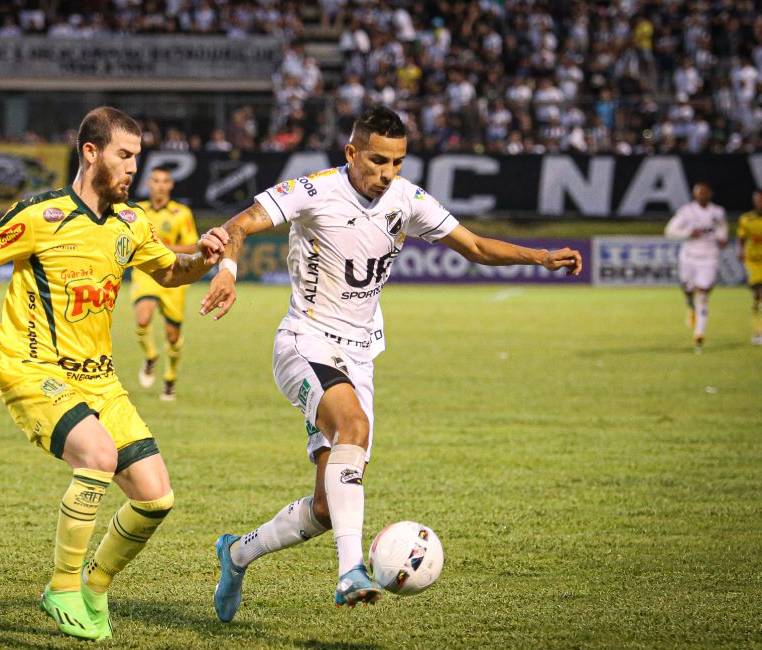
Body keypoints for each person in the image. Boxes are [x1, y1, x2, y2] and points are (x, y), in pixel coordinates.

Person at [197, 106, 582, 621]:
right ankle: (351, 571)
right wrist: (227, 267)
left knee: (327, 508)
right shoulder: (315, 191)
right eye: (377, 160)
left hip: (360, 358)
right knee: (351, 426)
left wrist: (540, 257)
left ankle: (236, 553)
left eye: (397, 162)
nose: (387, 173)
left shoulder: (406, 199)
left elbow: (472, 246)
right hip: (304, 343)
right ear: (352, 153)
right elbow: (238, 224)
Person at [0, 107, 228, 641]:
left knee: (156, 496)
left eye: (137, 157)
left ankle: (94, 584)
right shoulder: (40, 215)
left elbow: (172, 272)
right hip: (33, 371)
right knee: (99, 457)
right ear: (90, 152)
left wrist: (205, 258)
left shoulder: (131, 224)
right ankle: (60, 587)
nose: (133, 168)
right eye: (124, 156)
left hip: (99, 380)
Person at [132, 166, 200, 400]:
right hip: (146, 273)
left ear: (171, 185)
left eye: (165, 181)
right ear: (148, 184)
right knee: (143, 318)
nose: (160, 185)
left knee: (172, 336)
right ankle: (151, 356)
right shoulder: (137, 211)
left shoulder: (181, 213)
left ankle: (170, 377)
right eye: (156, 181)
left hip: (175, 276)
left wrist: (164, 249)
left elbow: (193, 246)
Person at [664, 182, 728, 351]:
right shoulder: (687, 212)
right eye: (699, 193)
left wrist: (722, 238)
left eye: (704, 192)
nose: (702, 195)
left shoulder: (718, 212)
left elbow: (722, 229)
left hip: (709, 257)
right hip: (689, 257)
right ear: (694, 195)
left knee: (703, 293)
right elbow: (669, 231)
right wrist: (687, 234)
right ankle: (689, 306)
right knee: (688, 290)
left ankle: (699, 334)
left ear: (710, 194)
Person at [736, 190, 762, 345]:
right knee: (758, 294)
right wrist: (740, 252)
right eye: (757, 200)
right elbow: (741, 237)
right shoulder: (746, 219)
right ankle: (758, 331)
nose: (759, 203)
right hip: (753, 262)